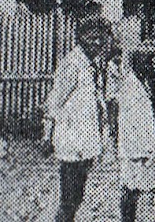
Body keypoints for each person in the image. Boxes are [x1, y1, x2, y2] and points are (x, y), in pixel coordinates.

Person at [43, 12, 114, 222]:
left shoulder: (90, 65)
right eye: (93, 38)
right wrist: (47, 135)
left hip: (85, 142)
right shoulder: (72, 64)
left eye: (101, 37)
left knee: (77, 197)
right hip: (71, 142)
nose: (98, 42)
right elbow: (54, 102)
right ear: (81, 37)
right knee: (69, 199)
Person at [119, 50, 155, 222]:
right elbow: (130, 123)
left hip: (138, 148)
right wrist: (140, 150)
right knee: (130, 188)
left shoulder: (137, 85)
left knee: (134, 188)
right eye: (146, 65)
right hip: (134, 148)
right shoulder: (132, 88)